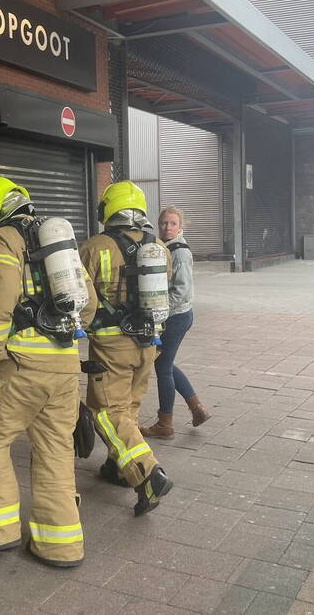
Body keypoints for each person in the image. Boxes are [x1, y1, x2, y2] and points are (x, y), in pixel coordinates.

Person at [0, 177, 96, 568]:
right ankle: (60, 547)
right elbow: (87, 308)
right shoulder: (56, 242)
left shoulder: (3, 239)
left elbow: (0, 296)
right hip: (66, 367)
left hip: (21, 366)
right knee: (55, 450)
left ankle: (1, 531)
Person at [80, 181, 175, 516]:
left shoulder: (94, 247)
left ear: (109, 208)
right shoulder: (159, 247)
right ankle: (118, 468)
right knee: (129, 408)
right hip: (149, 344)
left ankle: (148, 473)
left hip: (111, 347)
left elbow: (83, 300)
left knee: (106, 412)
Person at [139, 207, 210, 439]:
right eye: (163, 223)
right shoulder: (165, 248)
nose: (167, 228)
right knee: (165, 364)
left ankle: (165, 424)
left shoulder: (179, 252)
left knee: (163, 367)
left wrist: (156, 309)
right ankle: (196, 408)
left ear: (181, 227)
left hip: (175, 316)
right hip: (175, 316)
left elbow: (180, 291)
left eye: (172, 224)